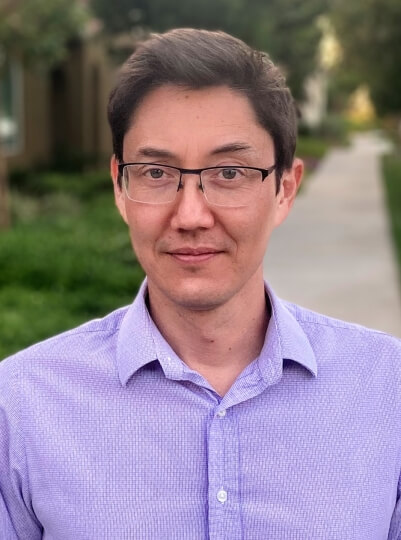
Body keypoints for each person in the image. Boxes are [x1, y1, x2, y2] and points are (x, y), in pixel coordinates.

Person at [1, 28, 401, 540]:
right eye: (156, 173)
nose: (190, 215)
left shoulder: (387, 392)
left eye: (229, 172)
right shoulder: (21, 407)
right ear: (120, 189)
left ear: (285, 189)